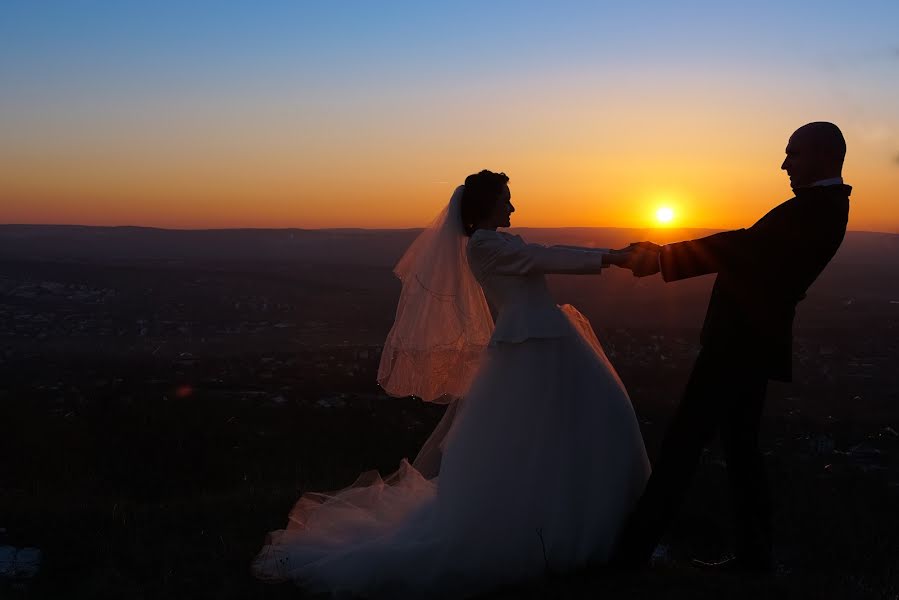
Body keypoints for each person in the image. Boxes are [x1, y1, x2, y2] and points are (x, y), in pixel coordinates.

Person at [253, 170, 651, 597]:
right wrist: (614, 257)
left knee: (582, 427)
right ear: (487, 205)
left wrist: (613, 257)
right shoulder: (485, 246)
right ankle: (565, 532)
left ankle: (590, 525)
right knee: (561, 432)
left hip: (547, 342)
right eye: (507, 199)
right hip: (531, 348)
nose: (513, 207)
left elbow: (538, 253)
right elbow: (544, 256)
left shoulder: (501, 243)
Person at [612, 122, 851, 571]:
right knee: (741, 451)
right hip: (752, 344)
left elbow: (742, 246)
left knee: (683, 446)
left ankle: (628, 556)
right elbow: (750, 250)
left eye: (792, 153)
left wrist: (662, 257)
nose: (784, 164)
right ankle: (754, 557)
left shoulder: (818, 209)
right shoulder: (821, 206)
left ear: (823, 156)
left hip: (738, 346)